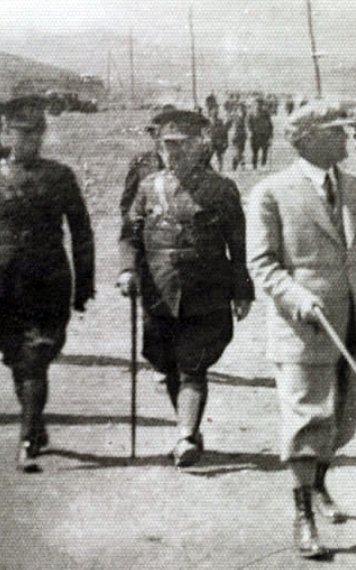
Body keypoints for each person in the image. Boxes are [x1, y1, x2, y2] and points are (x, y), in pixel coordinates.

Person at [247, 100, 356, 558]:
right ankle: (303, 516)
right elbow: (263, 263)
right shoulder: (272, 193)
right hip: (304, 331)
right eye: (336, 131)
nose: (347, 138)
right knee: (308, 420)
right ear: (307, 138)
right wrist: (296, 297)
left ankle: (318, 484)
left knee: (342, 424)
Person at [118, 109, 254, 468]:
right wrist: (127, 270)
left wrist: (242, 290)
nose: (174, 151)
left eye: (182, 144)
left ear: (199, 145)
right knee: (165, 362)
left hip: (206, 289)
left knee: (193, 364)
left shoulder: (221, 189)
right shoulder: (148, 188)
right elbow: (130, 235)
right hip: (159, 289)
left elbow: (238, 245)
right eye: (168, 145)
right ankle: (188, 426)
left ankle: (185, 436)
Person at [0, 95, 95, 472]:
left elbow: (81, 231)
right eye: (23, 132)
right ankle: (34, 423)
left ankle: (27, 440)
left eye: (37, 132)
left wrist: (85, 284)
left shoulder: (60, 176)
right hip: (4, 284)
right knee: (17, 359)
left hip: (48, 281)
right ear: (6, 131)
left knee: (35, 358)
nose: (31, 140)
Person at [248, 97, 274, 170]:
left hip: (264, 135)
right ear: (254, 104)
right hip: (255, 135)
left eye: (260, 104)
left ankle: (263, 164)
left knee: (265, 150)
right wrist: (250, 131)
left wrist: (271, 135)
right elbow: (249, 124)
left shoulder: (266, 113)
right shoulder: (251, 113)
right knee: (255, 151)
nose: (258, 105)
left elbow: (270, 124)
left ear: (262, 104)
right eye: (257, 104)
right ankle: (254, 165)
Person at [207, 105, 230, 172]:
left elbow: (223, 131)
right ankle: (208, 168)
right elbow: (204, 131)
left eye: (216, 111)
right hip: (211, 141)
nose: (215, 112)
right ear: (210, 112)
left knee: (219, 156)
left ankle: (220, 168)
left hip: (218, 141)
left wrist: (225, 141)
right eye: (213, 111)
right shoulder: (207, 121)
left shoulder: (220, 121)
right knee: (208, 155)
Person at [230, 103, 248, 171]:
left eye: (242, 109)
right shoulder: (236, 117)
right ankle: (240, 164)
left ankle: (236, 164)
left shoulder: (244, 116)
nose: (241, 110)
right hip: (236, 136)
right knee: (238, 152)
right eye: (240, 109)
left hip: (242, 137)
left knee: (240, 152)